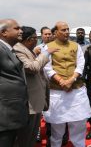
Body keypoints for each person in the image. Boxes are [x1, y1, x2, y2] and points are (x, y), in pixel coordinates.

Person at [43, 21, 91, 147]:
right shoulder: (48, 47)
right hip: (56, 91)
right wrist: (61, 81)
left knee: (79, 123)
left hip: (76, 89)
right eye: (63, 30)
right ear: (55, 32)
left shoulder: (75, 46)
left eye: (67, 29)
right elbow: (47, 68)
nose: (66, 32)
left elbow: (81, 65)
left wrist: (70, 80)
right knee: (57, 125)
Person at [13, 26, 58, 147]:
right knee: (25, 138)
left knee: (31, 138)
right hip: (29, 103)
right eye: (35, 38)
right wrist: (46, 53)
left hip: (36, 101)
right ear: (29, 39)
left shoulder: (27, 49)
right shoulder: (18, 50)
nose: (36, 41)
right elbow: (32, 68)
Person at [0, 19, 29, 147]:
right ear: (4, 32)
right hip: (3, 115)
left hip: (11, 114)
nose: (21, 31)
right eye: (17, 28)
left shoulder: (9, 49)